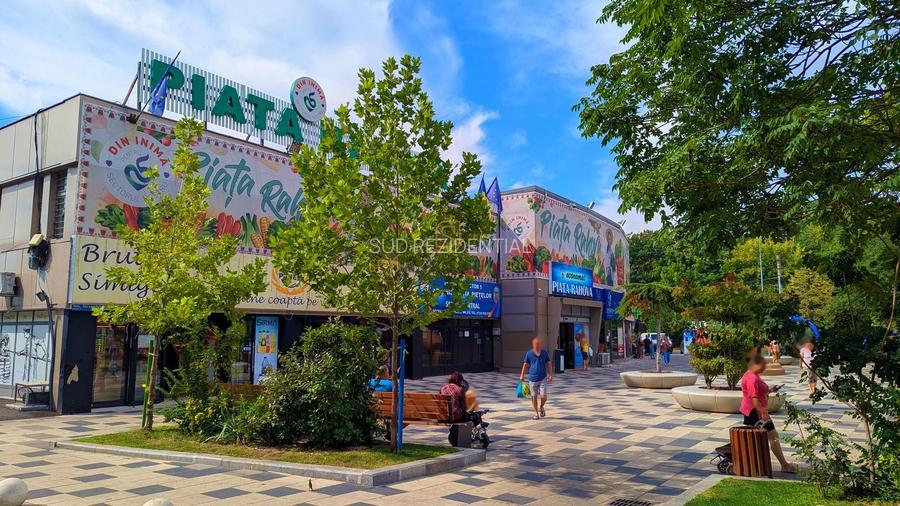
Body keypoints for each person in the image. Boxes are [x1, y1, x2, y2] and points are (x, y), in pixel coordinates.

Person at [740, 354, 797, 473]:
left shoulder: (753, 375)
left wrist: (770, 389)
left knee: (767, 437)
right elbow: (754, 397)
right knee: (773, 436)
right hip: (755, 412)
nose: (764, 366)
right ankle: (784, 465)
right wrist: (763, 413)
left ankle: (779, 465)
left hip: (756, 411)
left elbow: (758, 392)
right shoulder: (752, 378)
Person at [519, 337, 552, 420]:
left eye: (538, 344)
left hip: (543, 378)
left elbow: (549, 363)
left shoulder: (544, 353)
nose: (537, 345)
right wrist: (522, 375)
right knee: (534, 397)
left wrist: (550, 374)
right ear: (533, 345)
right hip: (532, 378)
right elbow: (525, 365)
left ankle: (541, 407)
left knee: (543, 396)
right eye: (535, 344)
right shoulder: (529, 353)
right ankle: (536, 413)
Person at [440, 372, 469, 444]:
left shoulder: (443, 388)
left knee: (456, 413)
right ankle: (459, 438)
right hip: (455, 416)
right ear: (460, 381)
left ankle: (454, 436)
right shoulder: (460, 389)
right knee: (468, 416)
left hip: (443, 416)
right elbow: (464, 406)